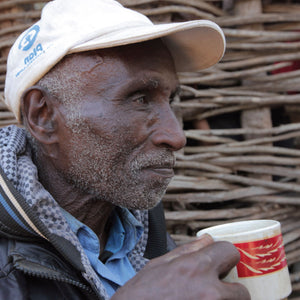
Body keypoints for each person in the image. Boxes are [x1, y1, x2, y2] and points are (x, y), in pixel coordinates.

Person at [0, 0, 250, 299]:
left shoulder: (139, 230)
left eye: (169, 100)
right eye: (139, 98)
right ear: (44, 116)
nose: (176, 136)